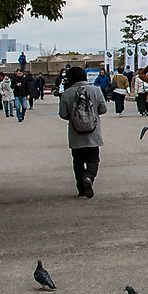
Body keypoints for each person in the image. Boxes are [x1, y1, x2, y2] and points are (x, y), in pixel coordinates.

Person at [58, 64, 108, 196]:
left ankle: (81, 188)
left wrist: (75, 118)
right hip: (93, 133)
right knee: (93, 159)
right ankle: (89, 178)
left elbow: (63, 114)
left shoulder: (67, 93)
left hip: (76, 134)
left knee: (78, 161)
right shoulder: (95, 90)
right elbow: (103, 109)